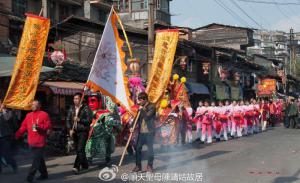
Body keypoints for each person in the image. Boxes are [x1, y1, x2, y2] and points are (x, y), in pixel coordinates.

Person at [15, 100, 51, 182]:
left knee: (36, 159)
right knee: (39, 159)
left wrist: (40, 127)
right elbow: (23, 127)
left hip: (40, 142)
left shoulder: (44, 114)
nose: (33, 106)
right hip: (31, 142)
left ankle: (30, 176)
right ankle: (44, 174)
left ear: (39, 105)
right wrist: (17, 135)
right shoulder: (28, 115)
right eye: (32, 104)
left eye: (35, 104)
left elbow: (48, 126)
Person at [66, 93, 92, 174]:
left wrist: (79, 119)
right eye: (74, 98)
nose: (75, 100)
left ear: (81, 99)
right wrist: (70, 129)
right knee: (79, 150)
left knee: (80, 149)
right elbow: (67, 120)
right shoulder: (71, 108)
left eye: (77, 98)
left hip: (83, 131)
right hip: (74, 131)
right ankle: (85, 164)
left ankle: (76, 167)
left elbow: (89, 120)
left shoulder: (86, 108)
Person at [131, 92, 156, 173]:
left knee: (150, 150)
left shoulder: (152, 106)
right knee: (137, 148)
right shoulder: (141, 108)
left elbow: (147, 117)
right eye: (139, 100)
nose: (139, 102)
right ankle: (138, 166)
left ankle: (150, 166)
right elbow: (136, 118)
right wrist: (132, 127)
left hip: (150, 131)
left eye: (140, 100)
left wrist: (142, 110)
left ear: (145, 99)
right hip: (142, 132)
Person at [0, 99, 18, 173]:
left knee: (6, 153)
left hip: (5, 136)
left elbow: (7, 118)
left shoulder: (8, 112)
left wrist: (3, 109)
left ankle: (14, 165)